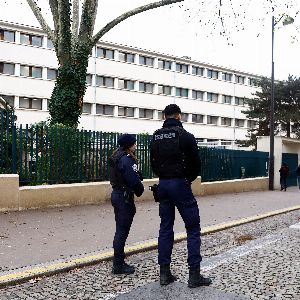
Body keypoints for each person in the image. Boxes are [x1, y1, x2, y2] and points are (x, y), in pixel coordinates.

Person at [150, 104, 212, 288]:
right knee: (192, 228)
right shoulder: (186, 136)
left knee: (165, 227)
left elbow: (153, 162)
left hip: (163, 185)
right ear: (178, 116)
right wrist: (187, 179)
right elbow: (196, 165)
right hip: (180, 184)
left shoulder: (155, 136)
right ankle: (194, 275)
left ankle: (164, 273)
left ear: (164, 116)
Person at [109, 133, 144, 274]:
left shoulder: (116, 156)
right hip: (124, 198)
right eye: (134, 143)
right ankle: (118, 265)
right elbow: (133, 180)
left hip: (117, 195)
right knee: (121, 232)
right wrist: (140, 189)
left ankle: (119, 261)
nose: (135, 146)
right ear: (129, 145)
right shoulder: (126, 159)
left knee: (120, 230)